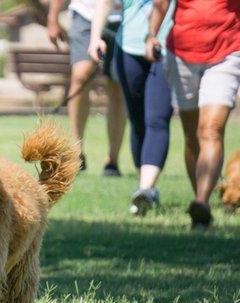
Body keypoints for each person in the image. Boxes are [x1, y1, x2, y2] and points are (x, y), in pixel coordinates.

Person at [146, 0, 240, 228]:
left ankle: (201, 201)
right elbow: (160, 3)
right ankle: (201, 199)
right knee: (191, 136)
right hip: (181, 53)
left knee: (210, 130)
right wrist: (151, 36)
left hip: (227, 51)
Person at [89, 0, 174, 215]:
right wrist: (95, 37)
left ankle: (145, 187)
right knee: (137, 121)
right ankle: (145, 188)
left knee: (157, 118)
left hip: (165, 47)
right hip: (128, 47)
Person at [47, 0, 127, 176]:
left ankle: (112, 160)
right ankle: (77, 151)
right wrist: (53, 17)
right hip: (84, 14)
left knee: (117, 87)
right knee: (80, 75)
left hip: (122, 17)